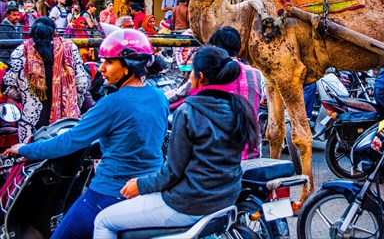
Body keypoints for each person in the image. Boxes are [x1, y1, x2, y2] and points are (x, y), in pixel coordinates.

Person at [3, 29, 169, 238]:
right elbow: (148, 136)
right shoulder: (159, 97)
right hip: (149, 189)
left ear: (128, 65)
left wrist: (26, 149)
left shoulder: (111, 104)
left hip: (110, 192)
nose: (101, 69)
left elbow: (69, 141)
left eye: (109, 62)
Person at [93, 46, 259, 238]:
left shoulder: (189, 111)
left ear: (201, 77)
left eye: (192, 72)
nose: (190, 77)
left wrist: (140, 184)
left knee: (103, 221)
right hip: (225, 199)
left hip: (188, 203)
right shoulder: (238, 107)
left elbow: (172, 172)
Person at [2, 17, 89, 142]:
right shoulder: (70, 48)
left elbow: (7, 87)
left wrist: (26, 96)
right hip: (65, 124)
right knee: (65, 157)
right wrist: (72, 100)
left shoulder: (21, 51)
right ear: (54, 32)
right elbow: (82, 84)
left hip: (31, 123)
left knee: (32, 157)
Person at [208, 26, 263, 159]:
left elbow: (181, 95)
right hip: (252, 151)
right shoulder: (256, 73)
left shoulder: (210, 72)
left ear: (216, 49)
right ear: (238, 49)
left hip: (218, 154)